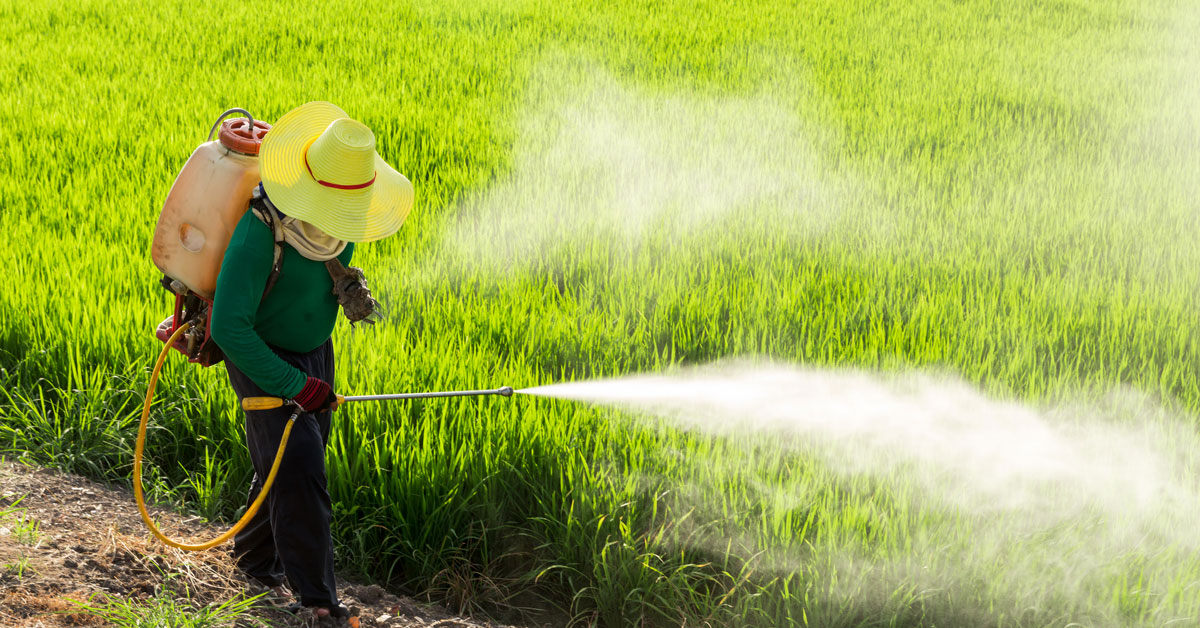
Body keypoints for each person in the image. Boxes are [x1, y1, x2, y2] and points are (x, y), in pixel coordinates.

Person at [209, 101, 414, 622]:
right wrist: (294, 385)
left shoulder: (337, 226)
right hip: (261, 355)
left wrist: (345, 285)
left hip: (315, 352)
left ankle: (255, 561)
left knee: (291, 459)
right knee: (299, 463)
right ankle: (319, 603)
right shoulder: (261, 231)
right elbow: (228, 327)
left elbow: (318, 274)